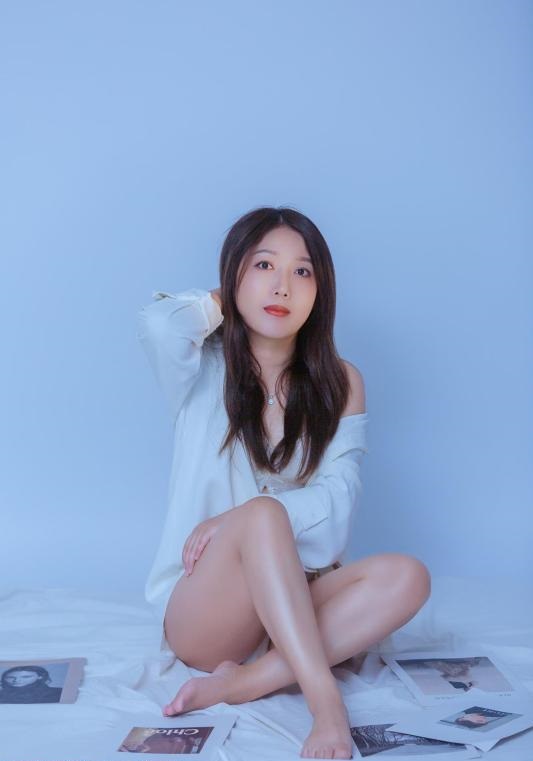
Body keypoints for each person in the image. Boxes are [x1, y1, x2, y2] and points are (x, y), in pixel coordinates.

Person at [137, 206, 431, 759]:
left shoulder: (340, 382)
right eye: (263, 266)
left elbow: (340, 501)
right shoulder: (201, 366)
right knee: (264, 514)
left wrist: (245, 517)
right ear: (234, 275)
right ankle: (326, 704)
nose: (282, 287)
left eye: (302, 272)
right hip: (205, 610)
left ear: (321, 289)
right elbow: (158, 324)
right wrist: (225, 298)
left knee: (408, 576)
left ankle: (247, 682)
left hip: (292, 601)